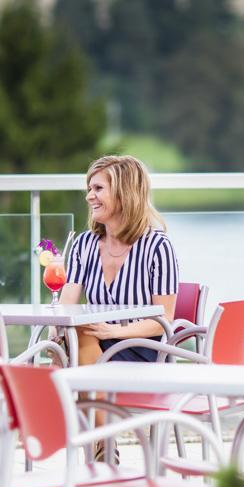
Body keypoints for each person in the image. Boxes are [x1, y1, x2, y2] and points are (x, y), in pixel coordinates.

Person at [61, 155, 179, 366]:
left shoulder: (157, 246)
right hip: (93, 341)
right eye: (89, 189)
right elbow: (66, 306)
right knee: (75, 332)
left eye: (98, 189)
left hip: (142, 350)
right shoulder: (84, 244)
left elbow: (164, 320)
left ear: (123, 193)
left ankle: (94, 397)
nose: (89, 196)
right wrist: (56, 338)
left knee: (80, 333)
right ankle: (98, 396)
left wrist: (113, 331)